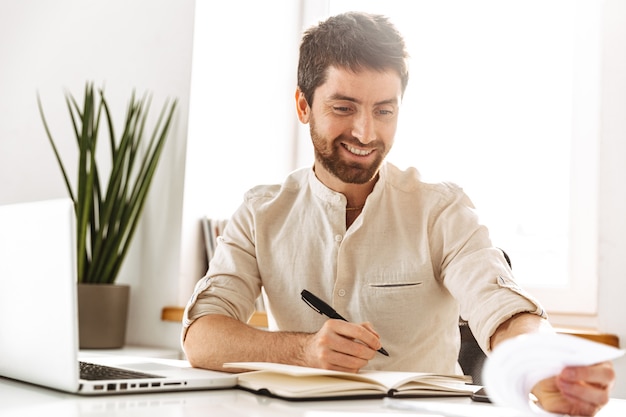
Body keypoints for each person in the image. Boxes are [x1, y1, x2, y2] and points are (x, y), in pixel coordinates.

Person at [182, 11, 615, 416]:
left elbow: (502, 308)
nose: (366, 132)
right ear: (303, 106)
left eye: (384, 110)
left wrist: (541, 364)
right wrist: (304, 350)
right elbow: (202, 337)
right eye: (343, 107)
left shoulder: (440, 208)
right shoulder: (261, 212)